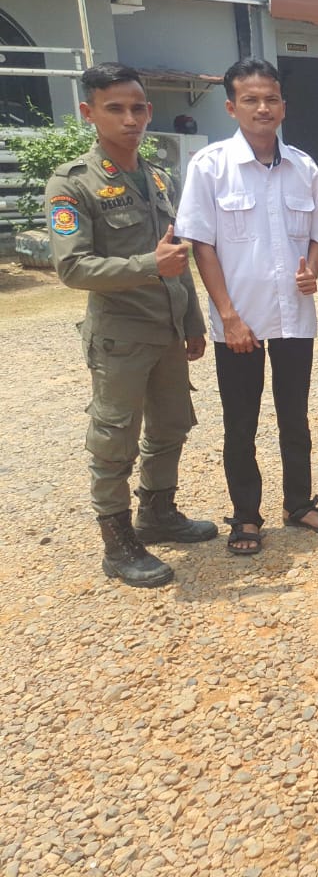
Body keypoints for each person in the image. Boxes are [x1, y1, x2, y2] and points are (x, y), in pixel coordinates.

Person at [47, 62, 217, 588]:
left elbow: (179, 257)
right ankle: (118, 543)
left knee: (171, 426)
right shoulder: (72, 184)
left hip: (166, 331)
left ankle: (158, 513)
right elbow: (72, 269)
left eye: (138, 107)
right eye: (115, 108)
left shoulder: (159, 176)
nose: (130, 119)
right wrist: (149, 266)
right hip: (120, 336)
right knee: (115, 437)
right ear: (88, 113)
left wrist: (191, 321)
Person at [178, 57, 318, 555]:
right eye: (250, 99)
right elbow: (201, 246)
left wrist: (312, 269)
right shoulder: (210, 167)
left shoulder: (303, 167)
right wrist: (227, 315)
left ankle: (299, 503)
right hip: (241, 320)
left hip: (294, 315)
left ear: (283, 106)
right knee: (241, 422)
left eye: (270, 98)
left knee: (295, 416)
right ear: (232, 107)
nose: (262, 107)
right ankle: (246, 516)